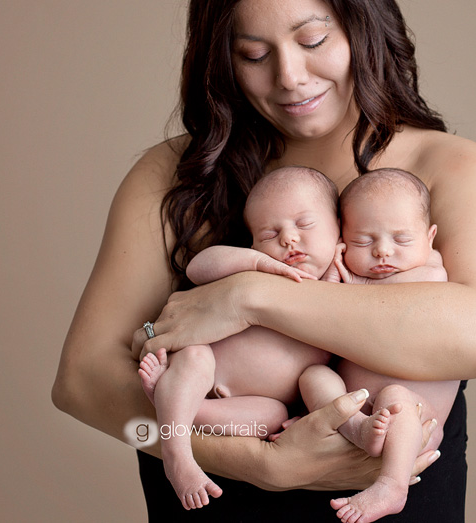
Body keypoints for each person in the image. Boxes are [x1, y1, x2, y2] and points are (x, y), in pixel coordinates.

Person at [52, 0, 476, 522]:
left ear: (362, 21)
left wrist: (248, 297)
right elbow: (79, 384)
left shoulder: (449, 168)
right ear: (221, 58)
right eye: (253, 54)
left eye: (314, 38)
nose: (291, 76)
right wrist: (257, 464)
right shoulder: (172, 176)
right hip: (206, 494)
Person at [138, 165, 342, 510]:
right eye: (268, 233)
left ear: (340, 230)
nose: (288, 239)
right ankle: (177, 453)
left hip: (252, 404)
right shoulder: (258, 270)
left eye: (304, 224)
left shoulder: (346, 283)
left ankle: (176, 402)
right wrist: (257, 263)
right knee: (195, 357)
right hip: (206, 364)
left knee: (274, 416)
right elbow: (197, 268)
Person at [298, 167, 460, 523]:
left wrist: (355, 287)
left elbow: (419, 293)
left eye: (402, 240)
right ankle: (352, 425)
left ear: (430, 237)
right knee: (312, 377)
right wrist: (331, 275)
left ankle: (392, 486)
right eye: (361, 242)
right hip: (361, 415)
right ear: (341, 240)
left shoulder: (430, 271)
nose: (383, 252)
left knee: (396, 398)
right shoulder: (352, 277)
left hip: (414, 425)